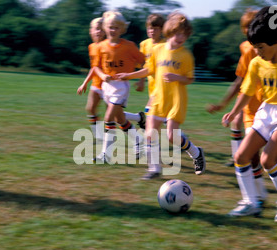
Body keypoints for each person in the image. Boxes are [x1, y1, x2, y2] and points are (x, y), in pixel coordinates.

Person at [116, 12, 206, 179]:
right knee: (150, 133)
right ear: (169, 32)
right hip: (158, 97)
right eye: (178, 33)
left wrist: (176, 77)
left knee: (172, 136)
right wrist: (128, 75)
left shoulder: (185, 55)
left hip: (176, 99)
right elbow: (149, 70)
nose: (181, 38)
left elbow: (190, 78)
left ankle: (196, 152)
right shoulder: (157, 50)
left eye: (184, 35)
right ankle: (154, 169)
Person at [207, 9, 267, 206]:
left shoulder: (261, 47)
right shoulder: (248, 49)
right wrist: (225, 104)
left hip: (264, 104)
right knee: (252, 153)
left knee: (259, 155)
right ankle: (258, 193)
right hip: (251, 103)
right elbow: (240, 80)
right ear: (244, 31)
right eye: (249, 27)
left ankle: (257, 194)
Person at [222, 6, 277, 220]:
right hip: (265, 113)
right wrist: (234, 112)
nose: (256, 51)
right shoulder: (256, 62)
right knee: (241, 156)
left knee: (266, 160)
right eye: (254, 47)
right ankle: (251, 202)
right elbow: (247, 91)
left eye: (260, 47)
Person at [77, 17, 146, 143]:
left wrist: (139, 78)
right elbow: (95, 67)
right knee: (92, 109)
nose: (98, 32)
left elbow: (141, 62)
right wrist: (86, 83)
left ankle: (110, 147)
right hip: (99, 85)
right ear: (90, 31)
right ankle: (100, 137)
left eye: (100, 29)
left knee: (114, 117)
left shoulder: (116, 46)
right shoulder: (92, 47)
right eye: (96, 29)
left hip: (113, 85)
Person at [91, 11, 146, 162]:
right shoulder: (100, 46)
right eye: (110, 27)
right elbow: (95, 67)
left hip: (121, 86)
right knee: (120, 119)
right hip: (107, 86)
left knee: (109, 117)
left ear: (122, 29)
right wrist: (102, 76)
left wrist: (141, 80)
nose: (112, 30)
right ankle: (139, 141)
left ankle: (106, 155)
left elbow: (145, 62)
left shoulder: (129, 46)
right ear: (104, 27)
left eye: (116, 27)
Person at [136, 13, 166, 115]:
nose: (152, 31)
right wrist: (141, 81)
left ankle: (142, 120)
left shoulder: (165, 45)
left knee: (149, 112)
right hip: (151, 83)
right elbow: (143, 64)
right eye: (150, 28)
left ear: (162, 30)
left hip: (162, 84)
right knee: (160, 115)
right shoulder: (144, 44)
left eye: (156, 28)